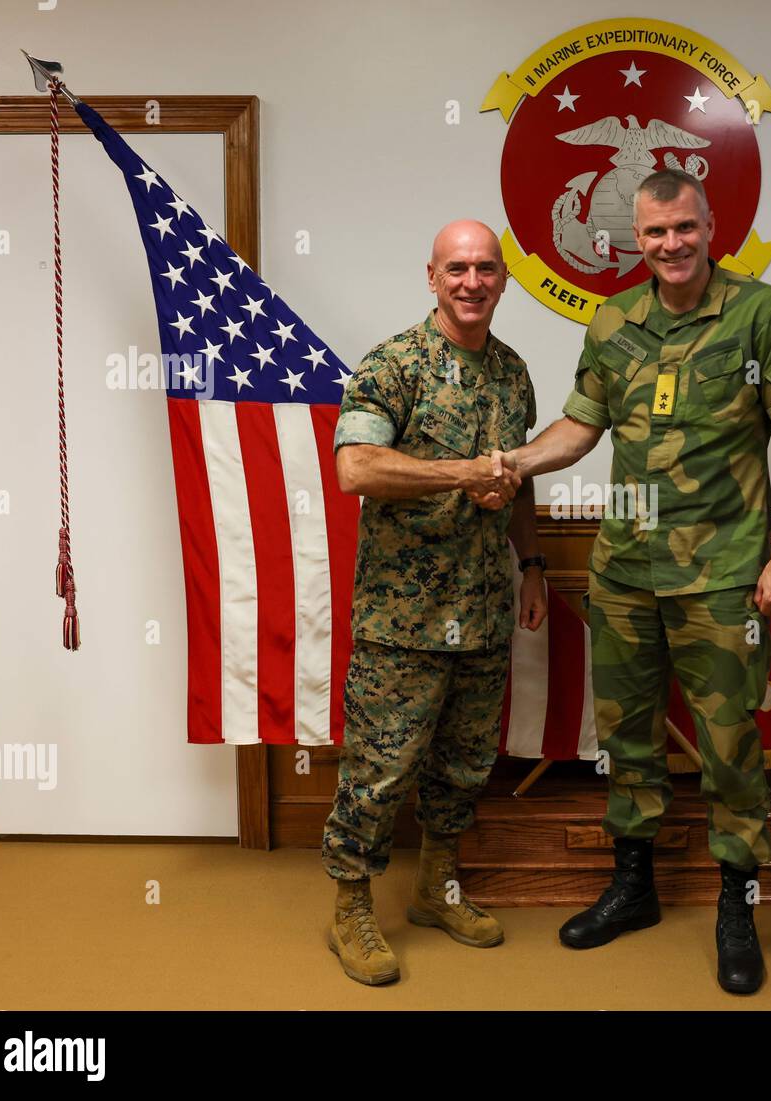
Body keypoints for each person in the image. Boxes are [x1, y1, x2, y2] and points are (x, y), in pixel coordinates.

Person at [488, 169, 771, 995]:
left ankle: (735, 908)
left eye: (683, 227)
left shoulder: (760, 313)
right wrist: (512, 462)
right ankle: (633, 887)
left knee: (729, 745)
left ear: (711, 225)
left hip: (724, 576)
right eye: (654, 232)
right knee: (626, 739)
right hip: (626, 571)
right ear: (633, 239)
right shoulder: (614, 321)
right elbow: (579, 425)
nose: (670, 244)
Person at [321, 220, 546, 985]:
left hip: (483, 611)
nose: (471, 281)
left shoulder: (513, 373)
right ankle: (351, 903)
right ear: (432, 276)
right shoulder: (394, 364)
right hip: (403, 619)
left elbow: (516, 476)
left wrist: (537, 562)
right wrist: (459, 474)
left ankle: (435, 886)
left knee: (462, 766)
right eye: (457, 268)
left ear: (503, 279)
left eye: (486, 268)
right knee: (381, 769)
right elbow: (356, 467)